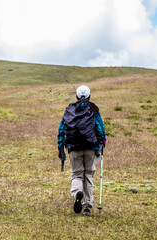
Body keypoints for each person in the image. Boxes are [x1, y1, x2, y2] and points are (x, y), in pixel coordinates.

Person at [57, 85, 106, 216]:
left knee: (77, 174)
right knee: (88, 175)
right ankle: (87, 207)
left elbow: (62, 129)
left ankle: (77, 194)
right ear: (89, 96)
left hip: (74, 147)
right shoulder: (93, 109)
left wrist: (60, 148)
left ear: (76, 96)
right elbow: (99, 126)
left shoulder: (70, 109)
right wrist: (102, 142)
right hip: (91, 147)